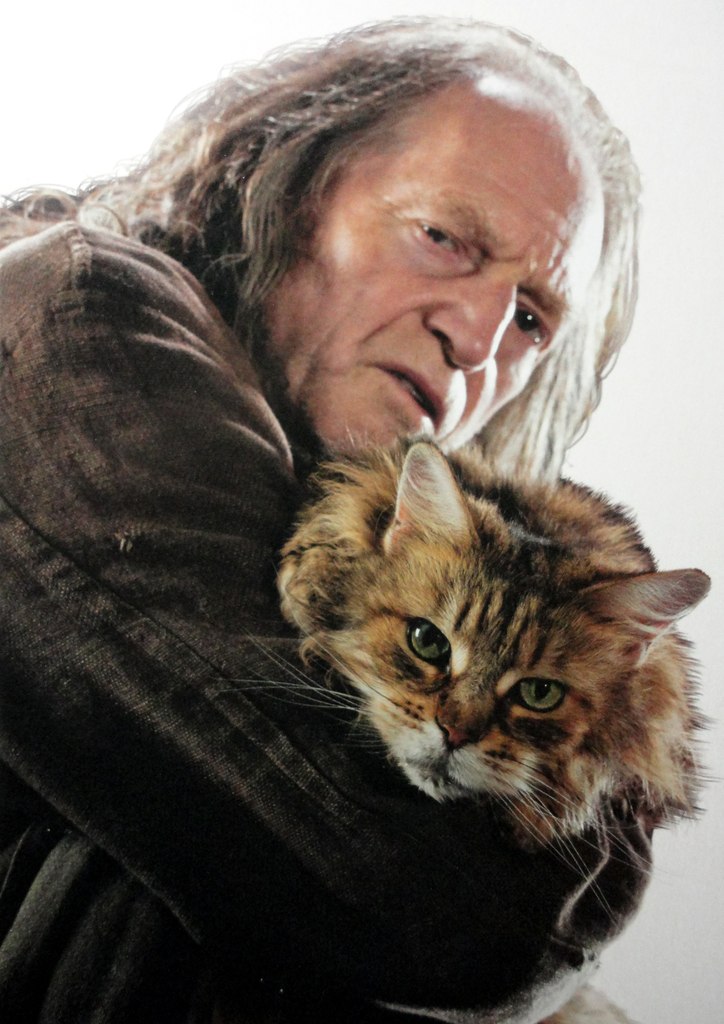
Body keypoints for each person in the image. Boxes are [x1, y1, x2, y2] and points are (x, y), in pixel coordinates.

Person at [0, 17, 648, 1024]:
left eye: (530, 317)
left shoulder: (354, 526)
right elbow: (459, 911)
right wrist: (627, 738)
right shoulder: (78, 306)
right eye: (444, 238)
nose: (478, 339)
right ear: (283, 185)